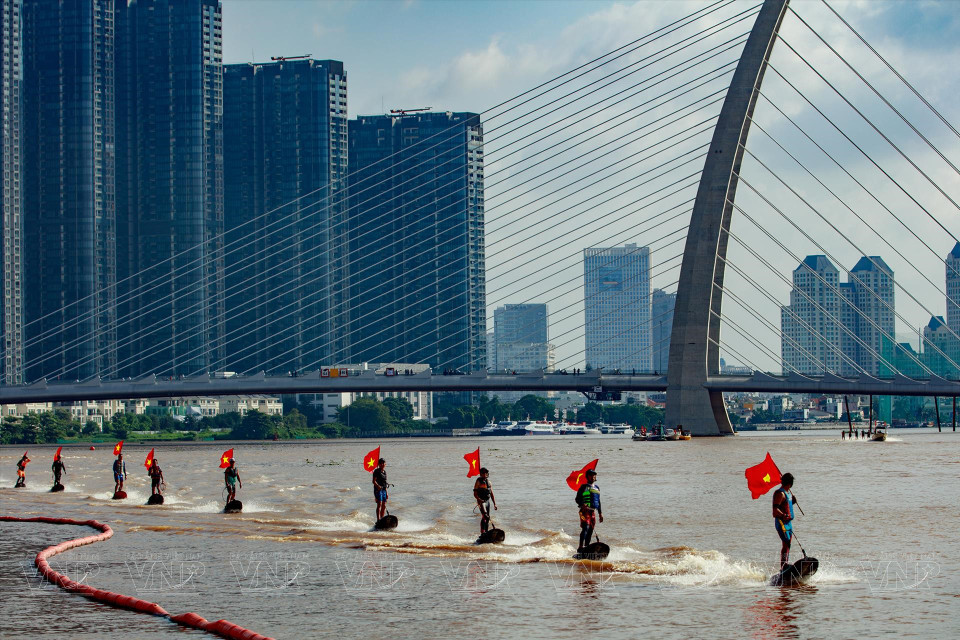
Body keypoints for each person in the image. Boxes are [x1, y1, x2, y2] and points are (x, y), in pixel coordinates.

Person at [772, 472, 797, 570]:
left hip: (788, 523)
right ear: (790, 483)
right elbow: (775, 511)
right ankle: (783, 566)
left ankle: (785, 564)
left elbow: (787, 505)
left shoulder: (788, 493)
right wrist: (783, 515)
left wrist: (793, 501)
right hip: (781, 523)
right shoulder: (781, 494)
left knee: (788, 544)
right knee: (786, 543)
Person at [575, 469, 602, 554]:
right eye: (591, 475)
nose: (593, 476)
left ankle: (586, 547)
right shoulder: (584, 487)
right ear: (587, 476)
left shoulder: (597, 488)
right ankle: (580, 547)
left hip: (592, 512)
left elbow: (598, 501)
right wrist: (582, 504)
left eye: (594, 475)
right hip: (584, 511)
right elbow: (577, 499)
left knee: (590, 530)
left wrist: (600, 513)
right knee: (586, 527)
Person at [473, 467, 497, 534]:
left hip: (487, 501)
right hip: (481, 501)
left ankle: (486, 531)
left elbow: (491, 494)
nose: (484, 474)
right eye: (483, 473)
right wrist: (479, 500)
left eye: (486, 473)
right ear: (480, 474)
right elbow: (475, 494)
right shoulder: (478, 481)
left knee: (488, 516)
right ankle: (482, 532)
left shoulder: (489, 482)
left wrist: (494, 504)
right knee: (485, 516)